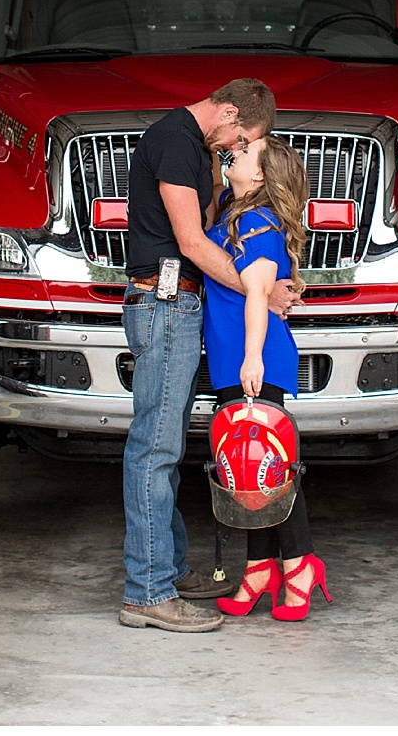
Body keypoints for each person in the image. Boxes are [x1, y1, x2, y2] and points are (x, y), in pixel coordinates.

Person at [118, 77, 287, 632]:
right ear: (229, 110)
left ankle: (167, 568)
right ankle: (147, 592)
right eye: (241, 138)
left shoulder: (193, 149)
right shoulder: (174, 141)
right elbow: (191, 243)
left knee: (165, 446)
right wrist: (258, 289)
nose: (237, 149)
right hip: (164, 303)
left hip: (177, 307)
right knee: (155, 449)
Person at [207, 134, 331, 622]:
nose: (232, 154)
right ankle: (260, 569)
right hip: (234, 357)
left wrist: (252, 358)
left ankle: (299, 566)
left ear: (259, 175)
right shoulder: (233, 211)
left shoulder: (256, 222)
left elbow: (257, 294)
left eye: (243, 153)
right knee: (245, 470)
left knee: (267, 469)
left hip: (255, 358)